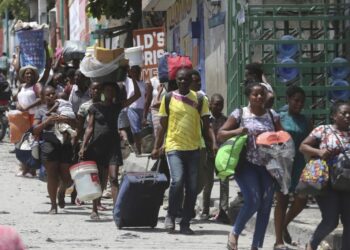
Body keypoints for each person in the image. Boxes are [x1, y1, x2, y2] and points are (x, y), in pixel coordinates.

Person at [151, 68, 216, 235]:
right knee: (177, 181)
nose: (183, 82)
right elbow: (162, 126)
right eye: (180, 79)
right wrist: (156, 147)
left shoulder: (200, 99)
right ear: (176, 80)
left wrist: (213, 143)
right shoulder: (168, 98)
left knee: (192, 187)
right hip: (174, 147)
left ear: (191, 81)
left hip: (194, 148)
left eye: (186, 79)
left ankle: (185, 222)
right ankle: (171, 216)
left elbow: (207, 124)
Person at [218, 82, 282, 250]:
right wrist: (239, 131)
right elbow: (221, 134)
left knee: (266, 202)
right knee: (253, 200)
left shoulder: (272, 115)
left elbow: (281, 137)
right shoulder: (240, 114)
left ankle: (256, 245)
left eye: (262, 94)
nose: (259, 97)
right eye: (255, 94)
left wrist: (274, 139)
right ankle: (234, 233)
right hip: (246, 164)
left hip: (268, 165)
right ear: (248, 97)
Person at [79, 75, 141, 219]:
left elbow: (137, 95)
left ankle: (117, 210)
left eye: (112, 91)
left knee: (113, 178)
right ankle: (94, 209)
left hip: (113, 146)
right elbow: (89, 128)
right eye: (107, 90)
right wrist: (83, 146)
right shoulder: (95, 107)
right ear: (102, 91)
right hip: (97, 146)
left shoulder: (117, 106)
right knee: (98, 179)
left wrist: (132, 78)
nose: (110, 93)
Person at [300, 101, 350, 250]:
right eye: (344, 113)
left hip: (348, 183)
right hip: (327, 182)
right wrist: (318, 152)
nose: (348, 116)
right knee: (330, 220)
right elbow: (303, 146)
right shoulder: (323, 130)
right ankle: (312, 244)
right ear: (334, 116)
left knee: (349, 222)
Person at [274, 86, 310, 249]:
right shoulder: (278, 118)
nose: (299, 104)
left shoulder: (306, 120)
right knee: (282, 200)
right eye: (296, 100)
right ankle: (278, 241)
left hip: (300, 164)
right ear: (288, 99)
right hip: (283, 164)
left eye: (302, 101)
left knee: (302, 199)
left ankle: (283, 226)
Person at [33, 85, 75, 214]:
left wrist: (65, 119)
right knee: (52, 175)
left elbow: (76, 123)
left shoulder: (65, 108)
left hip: (65, 144)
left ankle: (61, 191)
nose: (51, 96)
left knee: (66, 177)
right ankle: (53, 205)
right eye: (48, 95)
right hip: (49, 145)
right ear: (43, 97)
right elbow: (34, 130)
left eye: (53, 94)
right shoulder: (40, 111)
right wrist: (47, 121)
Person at [207, 93, 230, 223]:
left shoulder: (225, 120)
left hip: (222, 155)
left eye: (221, 104)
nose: (219, 107)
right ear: (210, 104)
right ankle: (205, 210)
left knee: (224, 182)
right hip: (208, 154)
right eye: (216, 104)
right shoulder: (205, 119)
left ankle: (224, 210)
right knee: (208, 183)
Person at [125, 65, 146, 155]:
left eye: (137, 71)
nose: (135, 73)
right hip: (132, 108)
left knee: (141, 130)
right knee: (136, 130)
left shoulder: (143, 83)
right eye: (133, 71)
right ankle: (138, 149)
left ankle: (139, 147)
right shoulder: (128, 81)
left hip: (142, 109)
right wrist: (128, 69)